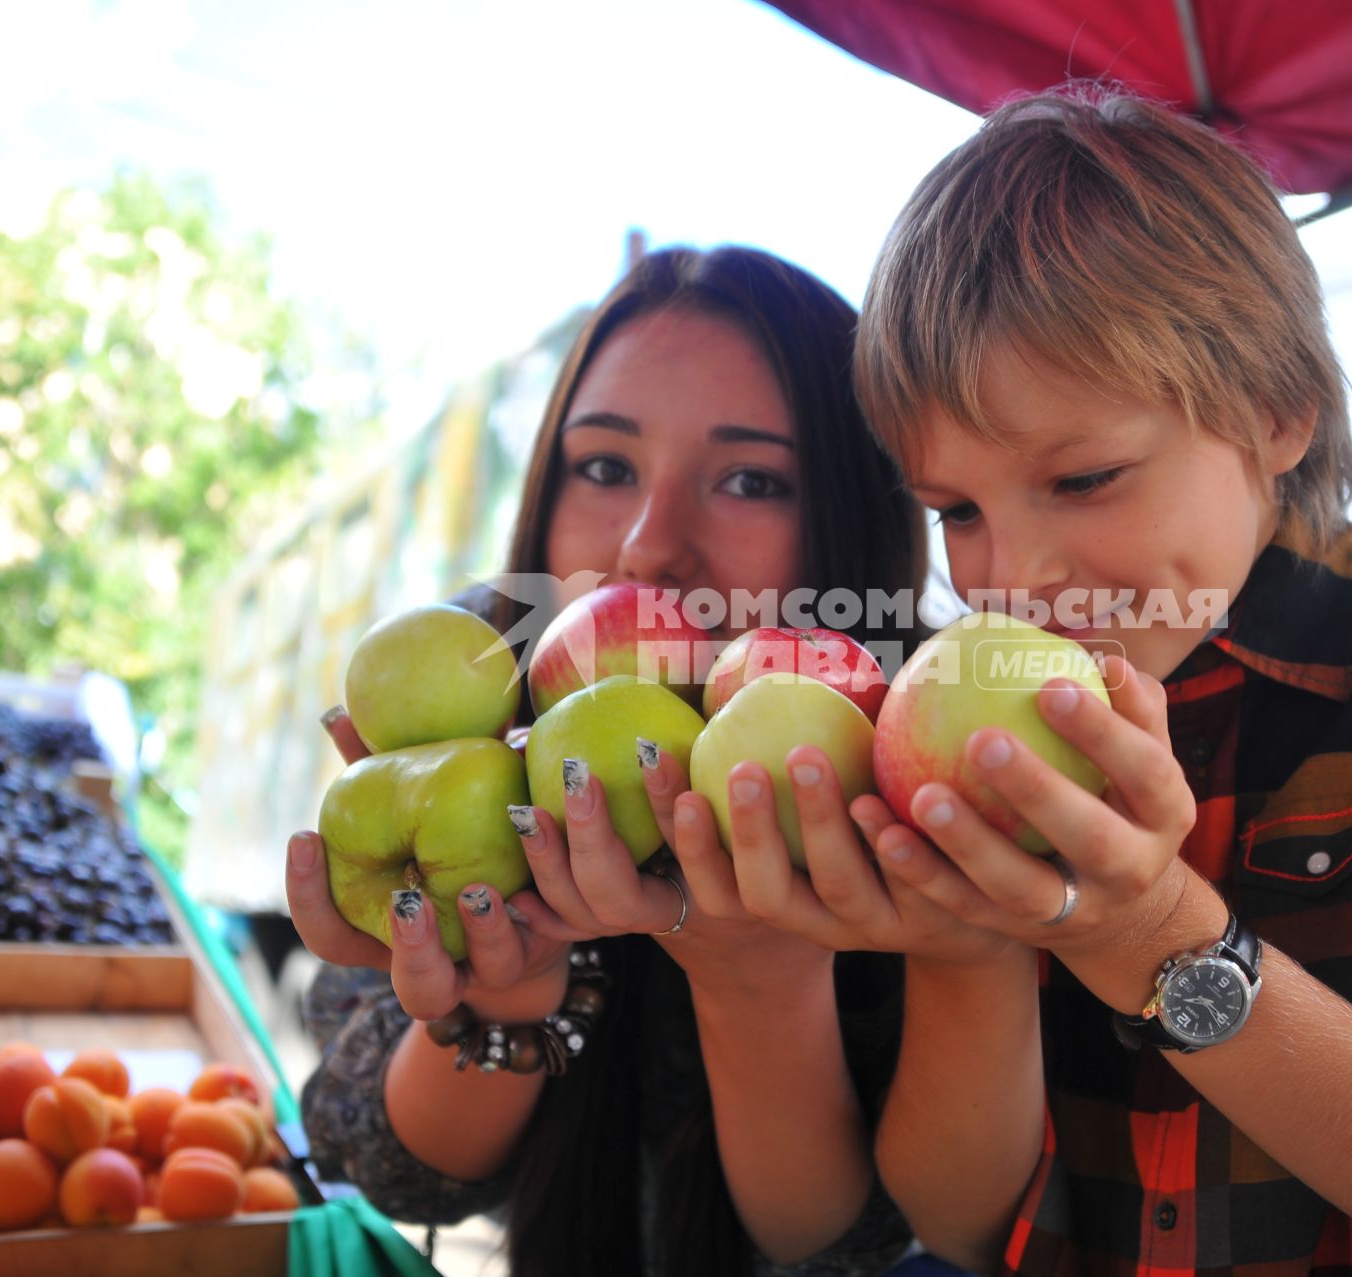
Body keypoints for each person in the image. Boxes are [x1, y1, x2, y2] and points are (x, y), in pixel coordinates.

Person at [703, 88, 1352, 1277]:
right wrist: (969, 953)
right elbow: (964, 1226)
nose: (1010, 579)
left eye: (1084, 478)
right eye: (955, 510)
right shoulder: (935, 714)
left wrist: (1152, 934)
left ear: (1279, 411)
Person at [285, 245, 929, 1277]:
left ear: (851, 518)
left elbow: (840, 1247)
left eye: (752, 479)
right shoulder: (479, 692)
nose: (646, 544)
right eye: (605, 465)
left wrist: (759, 977)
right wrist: (505, 987)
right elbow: (398, 1172)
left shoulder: (912, 766)